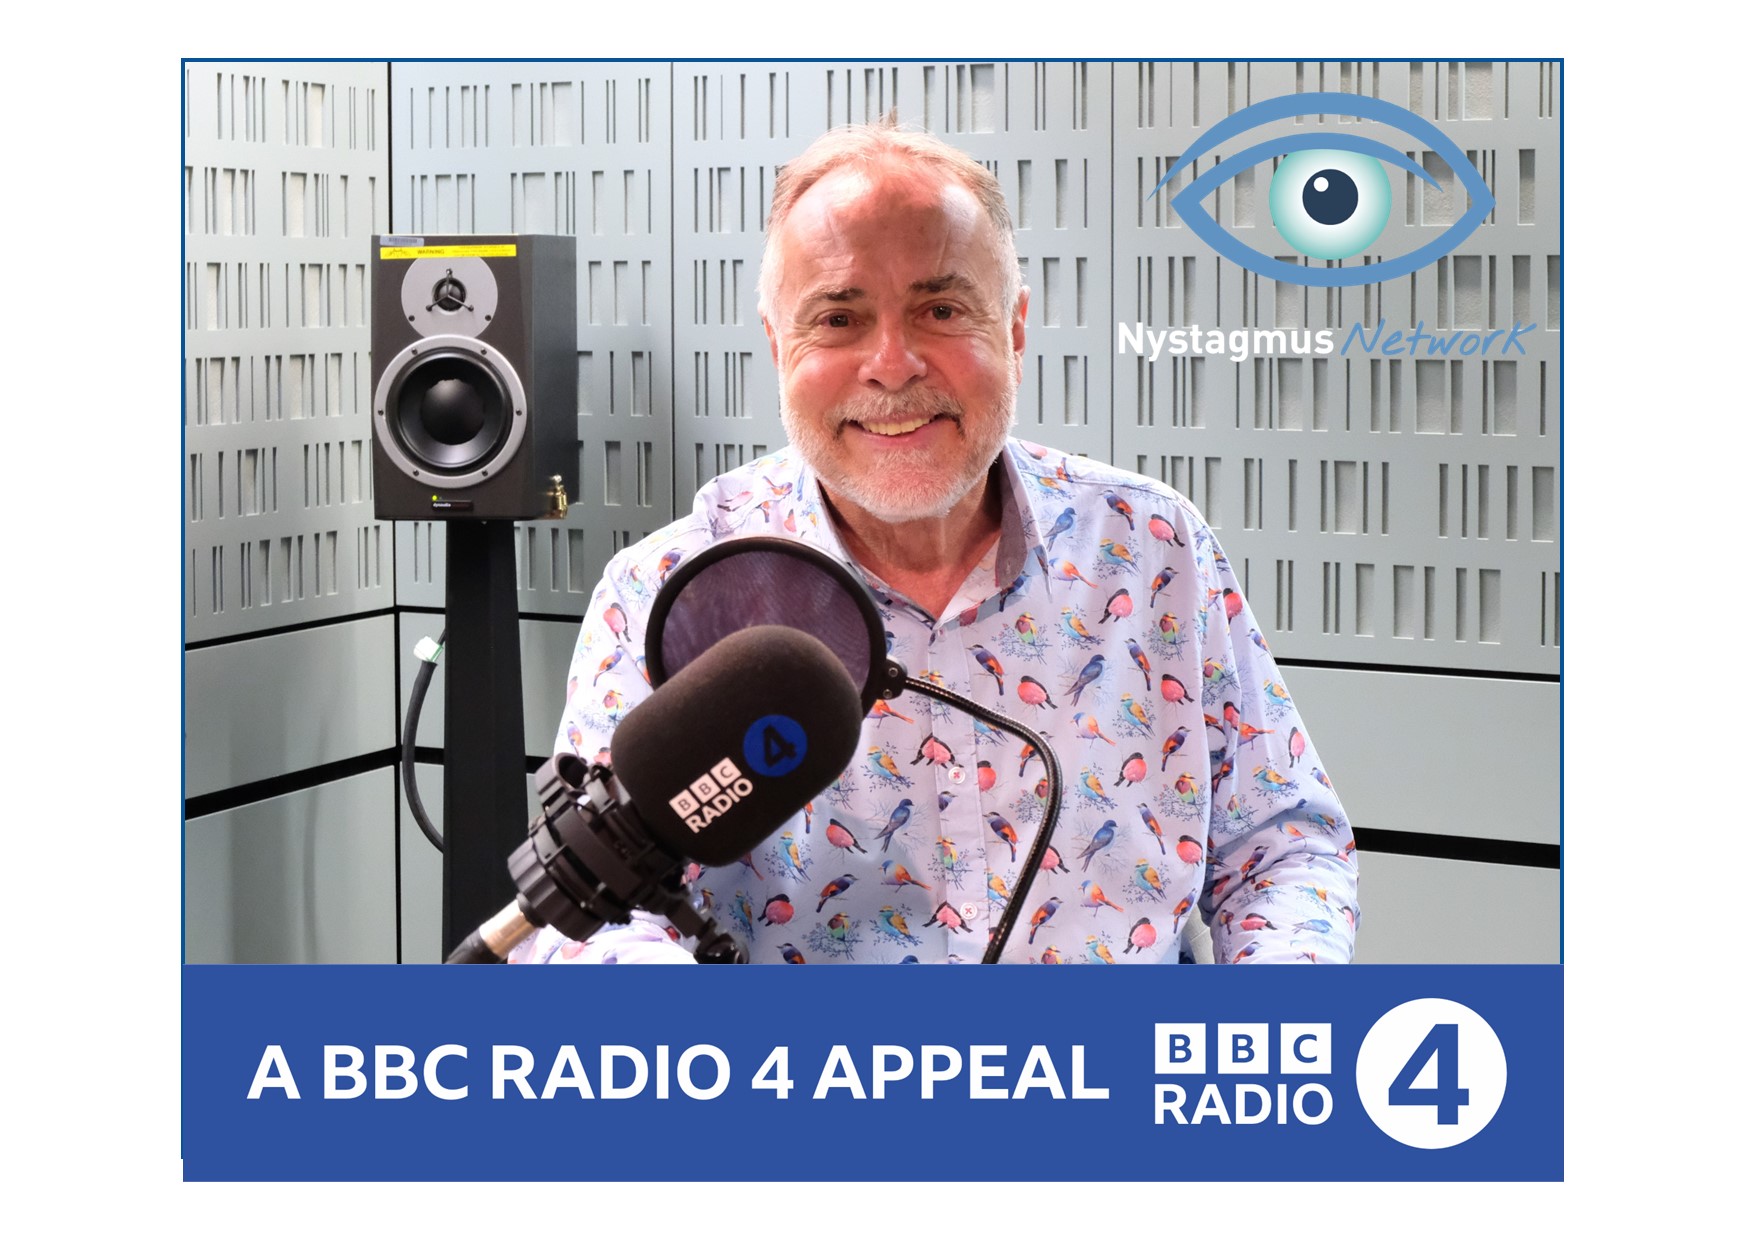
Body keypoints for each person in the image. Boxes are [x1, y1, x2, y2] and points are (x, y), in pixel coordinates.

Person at [514, 120, 1357, 965]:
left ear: (1016, 328)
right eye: (838, 318)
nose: (893, 364)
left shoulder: (1153, 545)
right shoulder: (666, 589)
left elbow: (1281, 849)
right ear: (777, 345)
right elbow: (594, 922)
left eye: (941, 309)